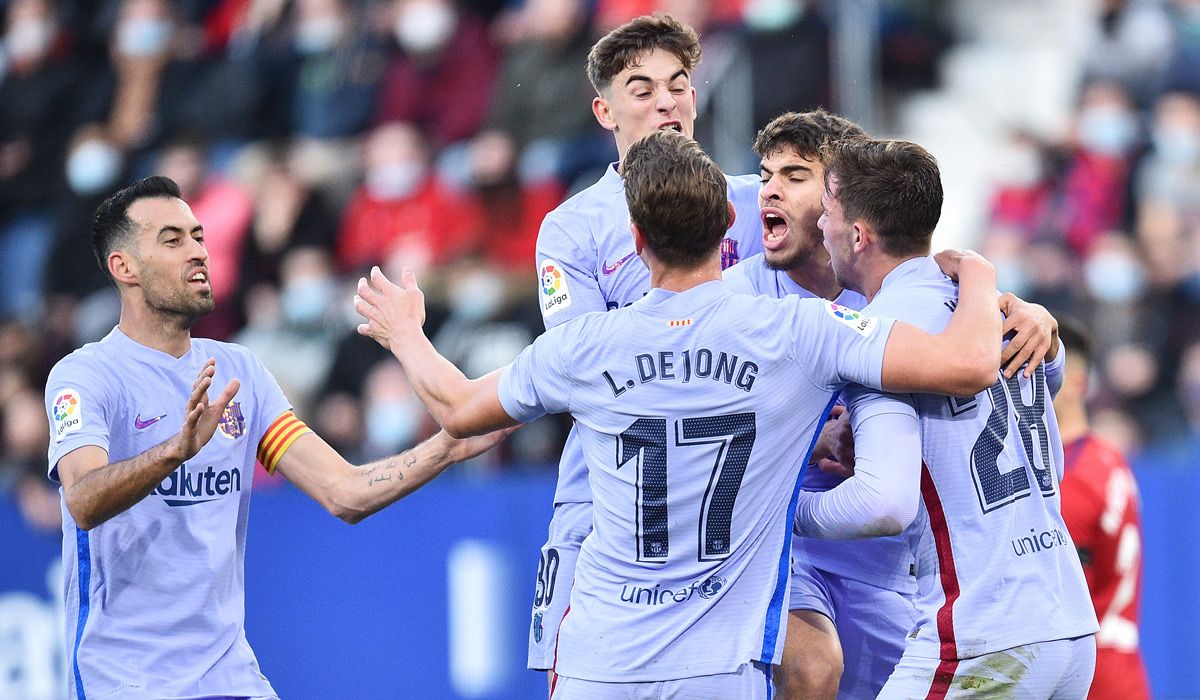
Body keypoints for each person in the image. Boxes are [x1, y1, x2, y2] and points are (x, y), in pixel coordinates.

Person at [354, 128, 1003, 697]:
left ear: (637, 240)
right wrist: (979, 278)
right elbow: (968, 364)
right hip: (720, 667)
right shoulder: (799, 330)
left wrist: (408, 334)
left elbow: (459, 407)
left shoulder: (583, 344)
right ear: (729, 226)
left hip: (599, 663)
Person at [43, 176, 506, 700]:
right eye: (172, 240)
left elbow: (344, 492)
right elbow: (81, 500)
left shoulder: (239, 371)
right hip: (129, 682)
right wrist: (173, 451)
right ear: (123, 268)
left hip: (231, 678)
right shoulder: (86, 376)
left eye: (197, 236)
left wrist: (447, 446)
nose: (197, 251)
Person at [726, 110, 1062, 699]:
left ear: (848, 210)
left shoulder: (897, 313)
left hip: (894, 573)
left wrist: (1037, 321)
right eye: (765, 173)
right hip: (788, 555)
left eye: (797, 176)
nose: (770, 189)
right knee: (811, 668)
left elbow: (998, 380)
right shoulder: (735, 300)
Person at [801, 138, 1097, 698]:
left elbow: (880, 503)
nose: (820, 225)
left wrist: (784, 511)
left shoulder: (882, 336)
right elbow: (1050, 419)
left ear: (859, 235)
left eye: (828, 211)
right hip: (1069, 627)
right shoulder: (997, 310)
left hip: (984, 630)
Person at [526, 13, 765, 680]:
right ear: (604, 110)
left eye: (679, 83)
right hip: (605, 494)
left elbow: (871, 256)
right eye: (641, 88)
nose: (666, 100)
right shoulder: (571, 228)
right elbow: (577, 367)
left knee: (802, 661)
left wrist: (961, 269)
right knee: (571, 676)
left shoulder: (755, 203)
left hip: (736, 487)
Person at [1055, 318, 1151, 700]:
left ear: (1076, 383)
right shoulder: (1105, 461)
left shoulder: (1077, 478)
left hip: (1089, 677)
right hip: (1118, 666)